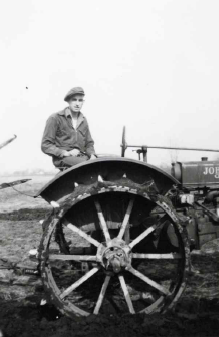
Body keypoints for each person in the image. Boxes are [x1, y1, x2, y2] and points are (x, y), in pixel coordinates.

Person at [41, 87, 96, 169]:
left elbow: (89, 143)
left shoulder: (83, 121)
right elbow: (45, 145)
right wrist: (64, 152)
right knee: (87, 167)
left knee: (104, 164)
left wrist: (92, 155)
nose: (77, 103)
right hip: (63, 158)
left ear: (83, 102)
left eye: (80, 100)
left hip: (81, 157)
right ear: (68, 101)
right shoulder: (55, 118)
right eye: (74, 100)